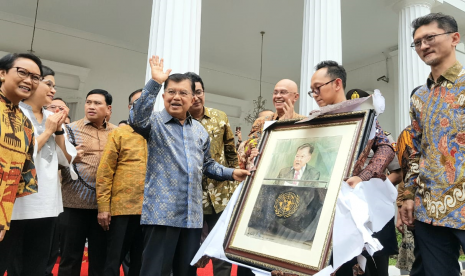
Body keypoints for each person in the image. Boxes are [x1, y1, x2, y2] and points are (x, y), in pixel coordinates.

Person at [129, 56, 250, 276]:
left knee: (186, 272)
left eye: (183, 93)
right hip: (162, 215)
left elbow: (208, 165)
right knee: (154, 271)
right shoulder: (154, 122)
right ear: (164, 95)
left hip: (192, 217)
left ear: (193, 97)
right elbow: (136, 118)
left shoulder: (199, 131)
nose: (177, 97)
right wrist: (155, 82)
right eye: (171, 92)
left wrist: (233, 173)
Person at [309, 61, 395, 276]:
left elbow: (385, 147)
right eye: (312, 91)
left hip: (359, 202)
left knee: (371, 266)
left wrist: (364, 176)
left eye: (318, 88)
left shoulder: (364, 115)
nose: (315, 94)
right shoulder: (315, 120)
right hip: (326, 207)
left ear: (337, 83)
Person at [399, 13, 465, 276]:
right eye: (417, 42)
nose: (423, 45)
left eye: (430, 38)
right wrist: (408, 196)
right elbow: (415, 151)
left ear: (454, 38)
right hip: (428, 211)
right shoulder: (419, 96)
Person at [4, 65, 77, 276]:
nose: (53, 90)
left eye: (54, 86)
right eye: (48, 84)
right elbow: (20, 154)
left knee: (38, 264)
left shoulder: (51, 117)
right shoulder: (14, 114)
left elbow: (68, 159)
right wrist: (48, 131)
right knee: (12, 262)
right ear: (33, 84)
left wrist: (60, 130)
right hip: (17, 202)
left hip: (47, 203)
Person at [185, 72, 238, 276]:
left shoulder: (220, 117)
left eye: (199, 92)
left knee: (221, 249)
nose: (196, 97)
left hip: (221, 195)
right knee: (190, 249)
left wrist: (235, 182)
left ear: (204, 93)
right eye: (192, 93)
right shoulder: (181, 121)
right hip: (192, 197)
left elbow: (231, 152)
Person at [59, 89, 116, 276]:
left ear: (108, 109)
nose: (91, 106)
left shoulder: (117, 133)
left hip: (104, 207)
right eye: (88, 102)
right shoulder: (69, 130)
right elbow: (56, 162)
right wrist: (70, 157)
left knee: (100, 258)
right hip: (73, 204)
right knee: (70, 257)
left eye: (97, 103)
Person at [96, 88, 146, 276]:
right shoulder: (120, 133)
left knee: (141, 263)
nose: (141, 107)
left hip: (150, 212)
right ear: (129, 107)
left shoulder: (158, 134)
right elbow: (105, 171)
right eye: (136, 103)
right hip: (122, 210)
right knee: (112, 262)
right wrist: (103, 207)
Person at [0, 53, 40, 270]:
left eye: (35, 77)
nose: (29, 80)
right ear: (3, 73)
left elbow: (21, 175)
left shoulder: (26, 124)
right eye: (22, 72)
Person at [238, 79, 304, 170]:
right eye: (275, 93)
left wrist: (287, 125)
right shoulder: (261, 121)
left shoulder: (304, 122)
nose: (278, 96)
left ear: (296, 97)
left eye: (283, 92)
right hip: (262, 169)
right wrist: (252, 150)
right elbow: (247, 147)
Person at [395, 86, 424, 275]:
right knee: (417, 261)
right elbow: (405, 173)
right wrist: (401, 206)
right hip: (415, 204)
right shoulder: (406, 136)